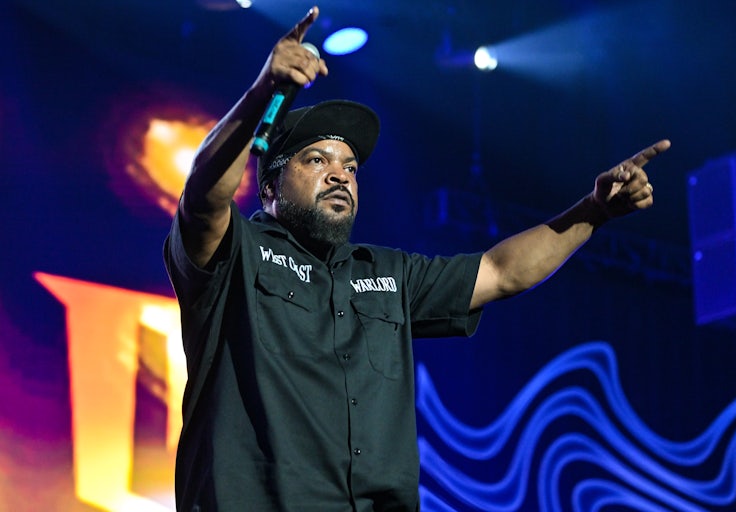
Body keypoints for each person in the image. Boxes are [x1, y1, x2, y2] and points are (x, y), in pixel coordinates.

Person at [163, 5, 670, 511]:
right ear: (270, 188)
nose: (340, 175)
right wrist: (261, 94)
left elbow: (501, 272)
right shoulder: (237, 253)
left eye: (351, 167)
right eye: (317, 160)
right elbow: (203, 198)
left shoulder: (389, 274)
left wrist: (595, 211)